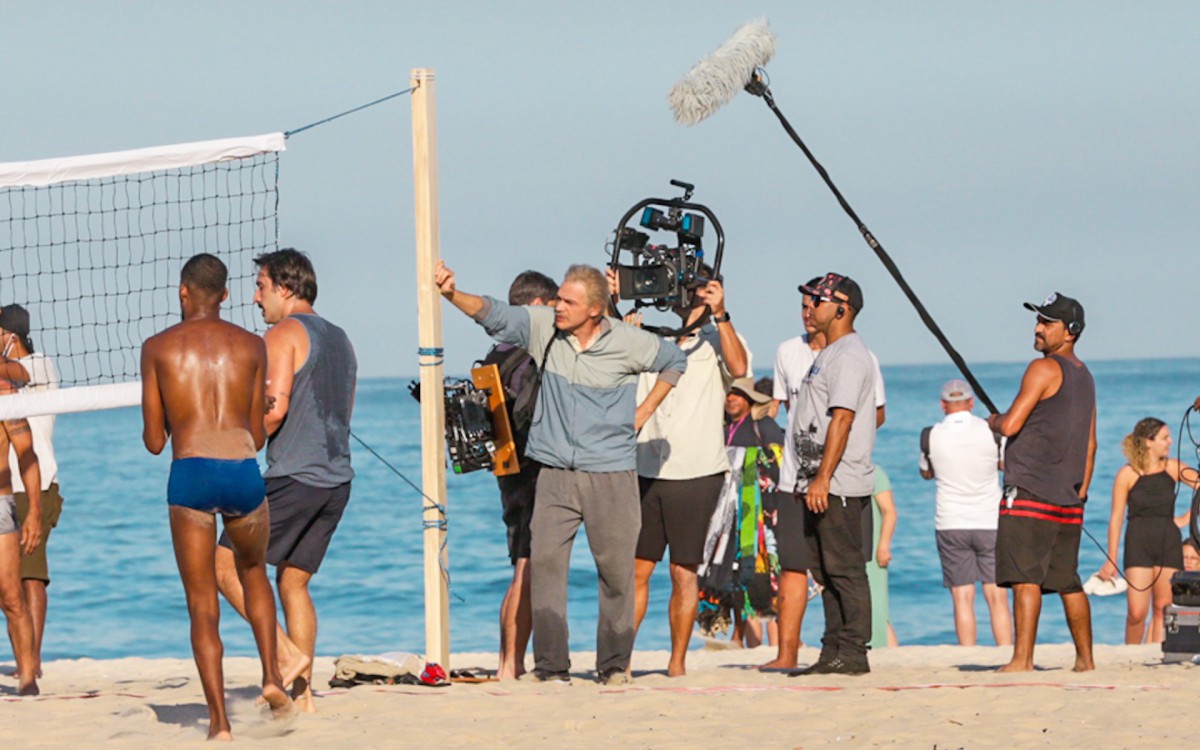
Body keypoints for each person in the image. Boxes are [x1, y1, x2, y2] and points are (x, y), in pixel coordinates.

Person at [437, 260, 685, 684]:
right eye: (559, 299)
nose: (559, 307)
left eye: (568, 301)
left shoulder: (628, 342)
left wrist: (644, 411)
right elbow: (494, 312)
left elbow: (674, 360)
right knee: (547, 569)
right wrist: (452, 294)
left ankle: (612, 668)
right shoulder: (543, 327)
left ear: (593, 309)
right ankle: (552, 669)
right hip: (553, 472)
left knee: (616, 573)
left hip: (611, 473)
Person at [140, 254, 293, 739]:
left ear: (183, 291)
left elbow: (154, 442)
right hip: (243, 472)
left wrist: (177, 417)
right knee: (254, 575)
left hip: (191, 473)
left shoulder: (158, 348)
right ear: (226, 295)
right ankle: (272, 677)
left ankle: (220, 723)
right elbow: (257, 433)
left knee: (202, 602)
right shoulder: (251, 346)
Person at [215, 248, 356, 713]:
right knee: (293, 583)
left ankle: (285, 654)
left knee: (222, 564)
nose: (256, 298)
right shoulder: (340, 338)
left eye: (261, 286)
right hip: (336, 480)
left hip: (296, 476)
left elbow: (274, 412)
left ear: (286, 288)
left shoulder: (283, 333)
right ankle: (305, 698)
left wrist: (232, 441)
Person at [623, 268, 749, 677]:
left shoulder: (717, 336)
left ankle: (676, 663)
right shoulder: (647, 334)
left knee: (683, 571)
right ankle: (620, 658)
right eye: (683, 287)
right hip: (644, 465)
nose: (687, 296)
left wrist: (722, 313)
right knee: (637, 569)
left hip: (697, 470)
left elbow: (741, 369)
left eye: (696, 289)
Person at [763, 277, 886, 670]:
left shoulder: (850, 354)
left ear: (841, 307)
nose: (809, 307)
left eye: (817, 300)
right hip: (812, 482)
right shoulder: (828, 353)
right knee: (825, 570)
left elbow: (843, 418)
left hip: (838, 484)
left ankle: (852, 652)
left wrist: (823, 478)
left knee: (845, 569)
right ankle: (832, 649)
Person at [987, 292, 1097, 673]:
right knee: (1068, 581)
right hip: (1068, 497)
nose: (1037, 328)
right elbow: (1092, 443)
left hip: (1031, 492)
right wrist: (1081, 492)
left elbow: (1012, 424)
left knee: (1024, 577)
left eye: (1047, 323)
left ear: (1070, 332)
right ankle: (1085, 661)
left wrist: (993, 422)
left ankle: (1022, 660)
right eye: (1038, 320)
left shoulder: (1043, 368)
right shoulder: (1085, 376)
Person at [480, 270, 558, 680]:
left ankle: (509, 661)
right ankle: (510, 664)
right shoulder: (529, 355)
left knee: (521, 564)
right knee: (528, 566)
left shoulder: (497, 353)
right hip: (535, 469)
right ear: (537, 308)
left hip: (507, 469)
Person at [919, 378, 1013, 647]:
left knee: (962, 597)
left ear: (943, 405)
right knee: (997, 596)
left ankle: (967, 652)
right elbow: (1005, 465)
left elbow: (926, 472)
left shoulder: (929, 435)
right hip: (990, 520)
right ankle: (1005, 650)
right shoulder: (991, 431)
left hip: (951, 522)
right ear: (971, 403)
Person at [699, 376, 784, 648]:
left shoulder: (764, 427)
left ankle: (780, 643)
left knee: (765, 574)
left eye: (738, 394)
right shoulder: (722, 430)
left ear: (750, 400)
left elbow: (780, 466)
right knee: (732, 572)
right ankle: (739, 637)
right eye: (729, 394)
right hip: (726, 515)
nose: (731, 398)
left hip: (760, 516)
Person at [1096, 417, 1199, 643]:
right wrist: (1111, 558)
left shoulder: (1173, 468)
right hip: (1138, 543)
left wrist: (1186, 518)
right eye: (1165, 438)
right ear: (1148, 442)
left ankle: (1156, 653)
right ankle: (1130, 654)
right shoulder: (1127, 474)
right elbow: (1116, 518)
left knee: (1163, 607)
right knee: (1136, 613)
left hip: (1168, 541)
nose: (1170, 442)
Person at [0, 305, 63, 671]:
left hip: (37, 488)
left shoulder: (40, 364)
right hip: (7, 489)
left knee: (31, 574)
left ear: (10, 335)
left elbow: (18, 372)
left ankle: (33, 662)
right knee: (12, 583)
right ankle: (26, 657)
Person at [0, 376, 41, 696]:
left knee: (11, 595)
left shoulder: (4, 392)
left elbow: (27, 454)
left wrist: (34, 512)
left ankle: (27, 679)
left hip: (0, 504)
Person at [867, 465, 898, 649]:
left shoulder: (874, 472)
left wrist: (884, 545)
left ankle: (890, 651)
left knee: (877, 609)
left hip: (872, 550)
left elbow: (889, 512)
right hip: (850, 550)